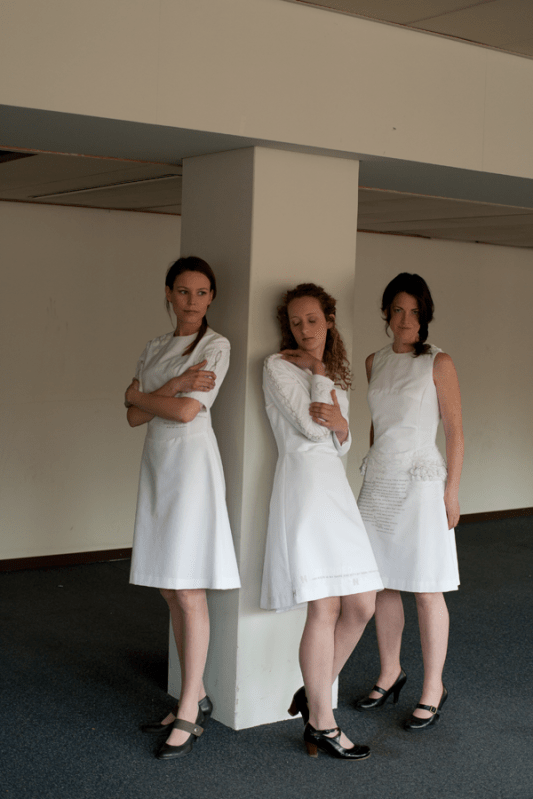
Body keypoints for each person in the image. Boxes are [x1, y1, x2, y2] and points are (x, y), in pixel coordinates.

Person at [261, 282, 383, 760]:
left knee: (363, 604)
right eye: (296, 322)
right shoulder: (277, 366)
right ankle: (323, 721)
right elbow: (314, 429)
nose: (305, 329)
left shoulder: (335, 373)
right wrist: (315, 373)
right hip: (305, 489)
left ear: (329, 321)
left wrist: (340, 420)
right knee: (325, 607)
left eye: (313, 320)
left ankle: (314, 695)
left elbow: (342, 442)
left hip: (335, 489)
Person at [124, 256, 240, 760]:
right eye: (184, 291)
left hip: (192, 469)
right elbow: (134, 417)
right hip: (158, 466)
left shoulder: (216, 346)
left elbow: (187, 410)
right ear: (169, 293)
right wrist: (169, 388)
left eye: (202, 292)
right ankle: (197, 695)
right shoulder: (154, 346)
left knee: (189, 589)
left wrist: (147, 395)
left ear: (211, 297)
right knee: (171, 588)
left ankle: (190, 709)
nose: (192, 301)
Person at [355, 272, 463, 730]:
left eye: (414, 312)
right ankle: (390, 672)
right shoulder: (373, 361)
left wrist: (451, 491)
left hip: (421, 482)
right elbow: (378, 424)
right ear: (386, 312)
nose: (405, 320)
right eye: (398, 310)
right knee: (382, 583)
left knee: (425, 586)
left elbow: (455, 431)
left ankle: (433, 686)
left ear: (425, 315)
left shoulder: (439, 362)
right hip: (380, 481)